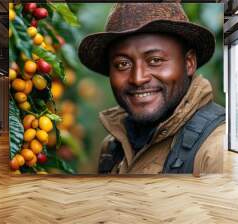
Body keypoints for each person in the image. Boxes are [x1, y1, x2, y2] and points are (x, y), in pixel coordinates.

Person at [78, 3, 225, 176]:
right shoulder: (112, 147)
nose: (138, 78)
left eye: (155, 60)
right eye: (122, 64)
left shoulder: (217, 149)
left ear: (189, 63)